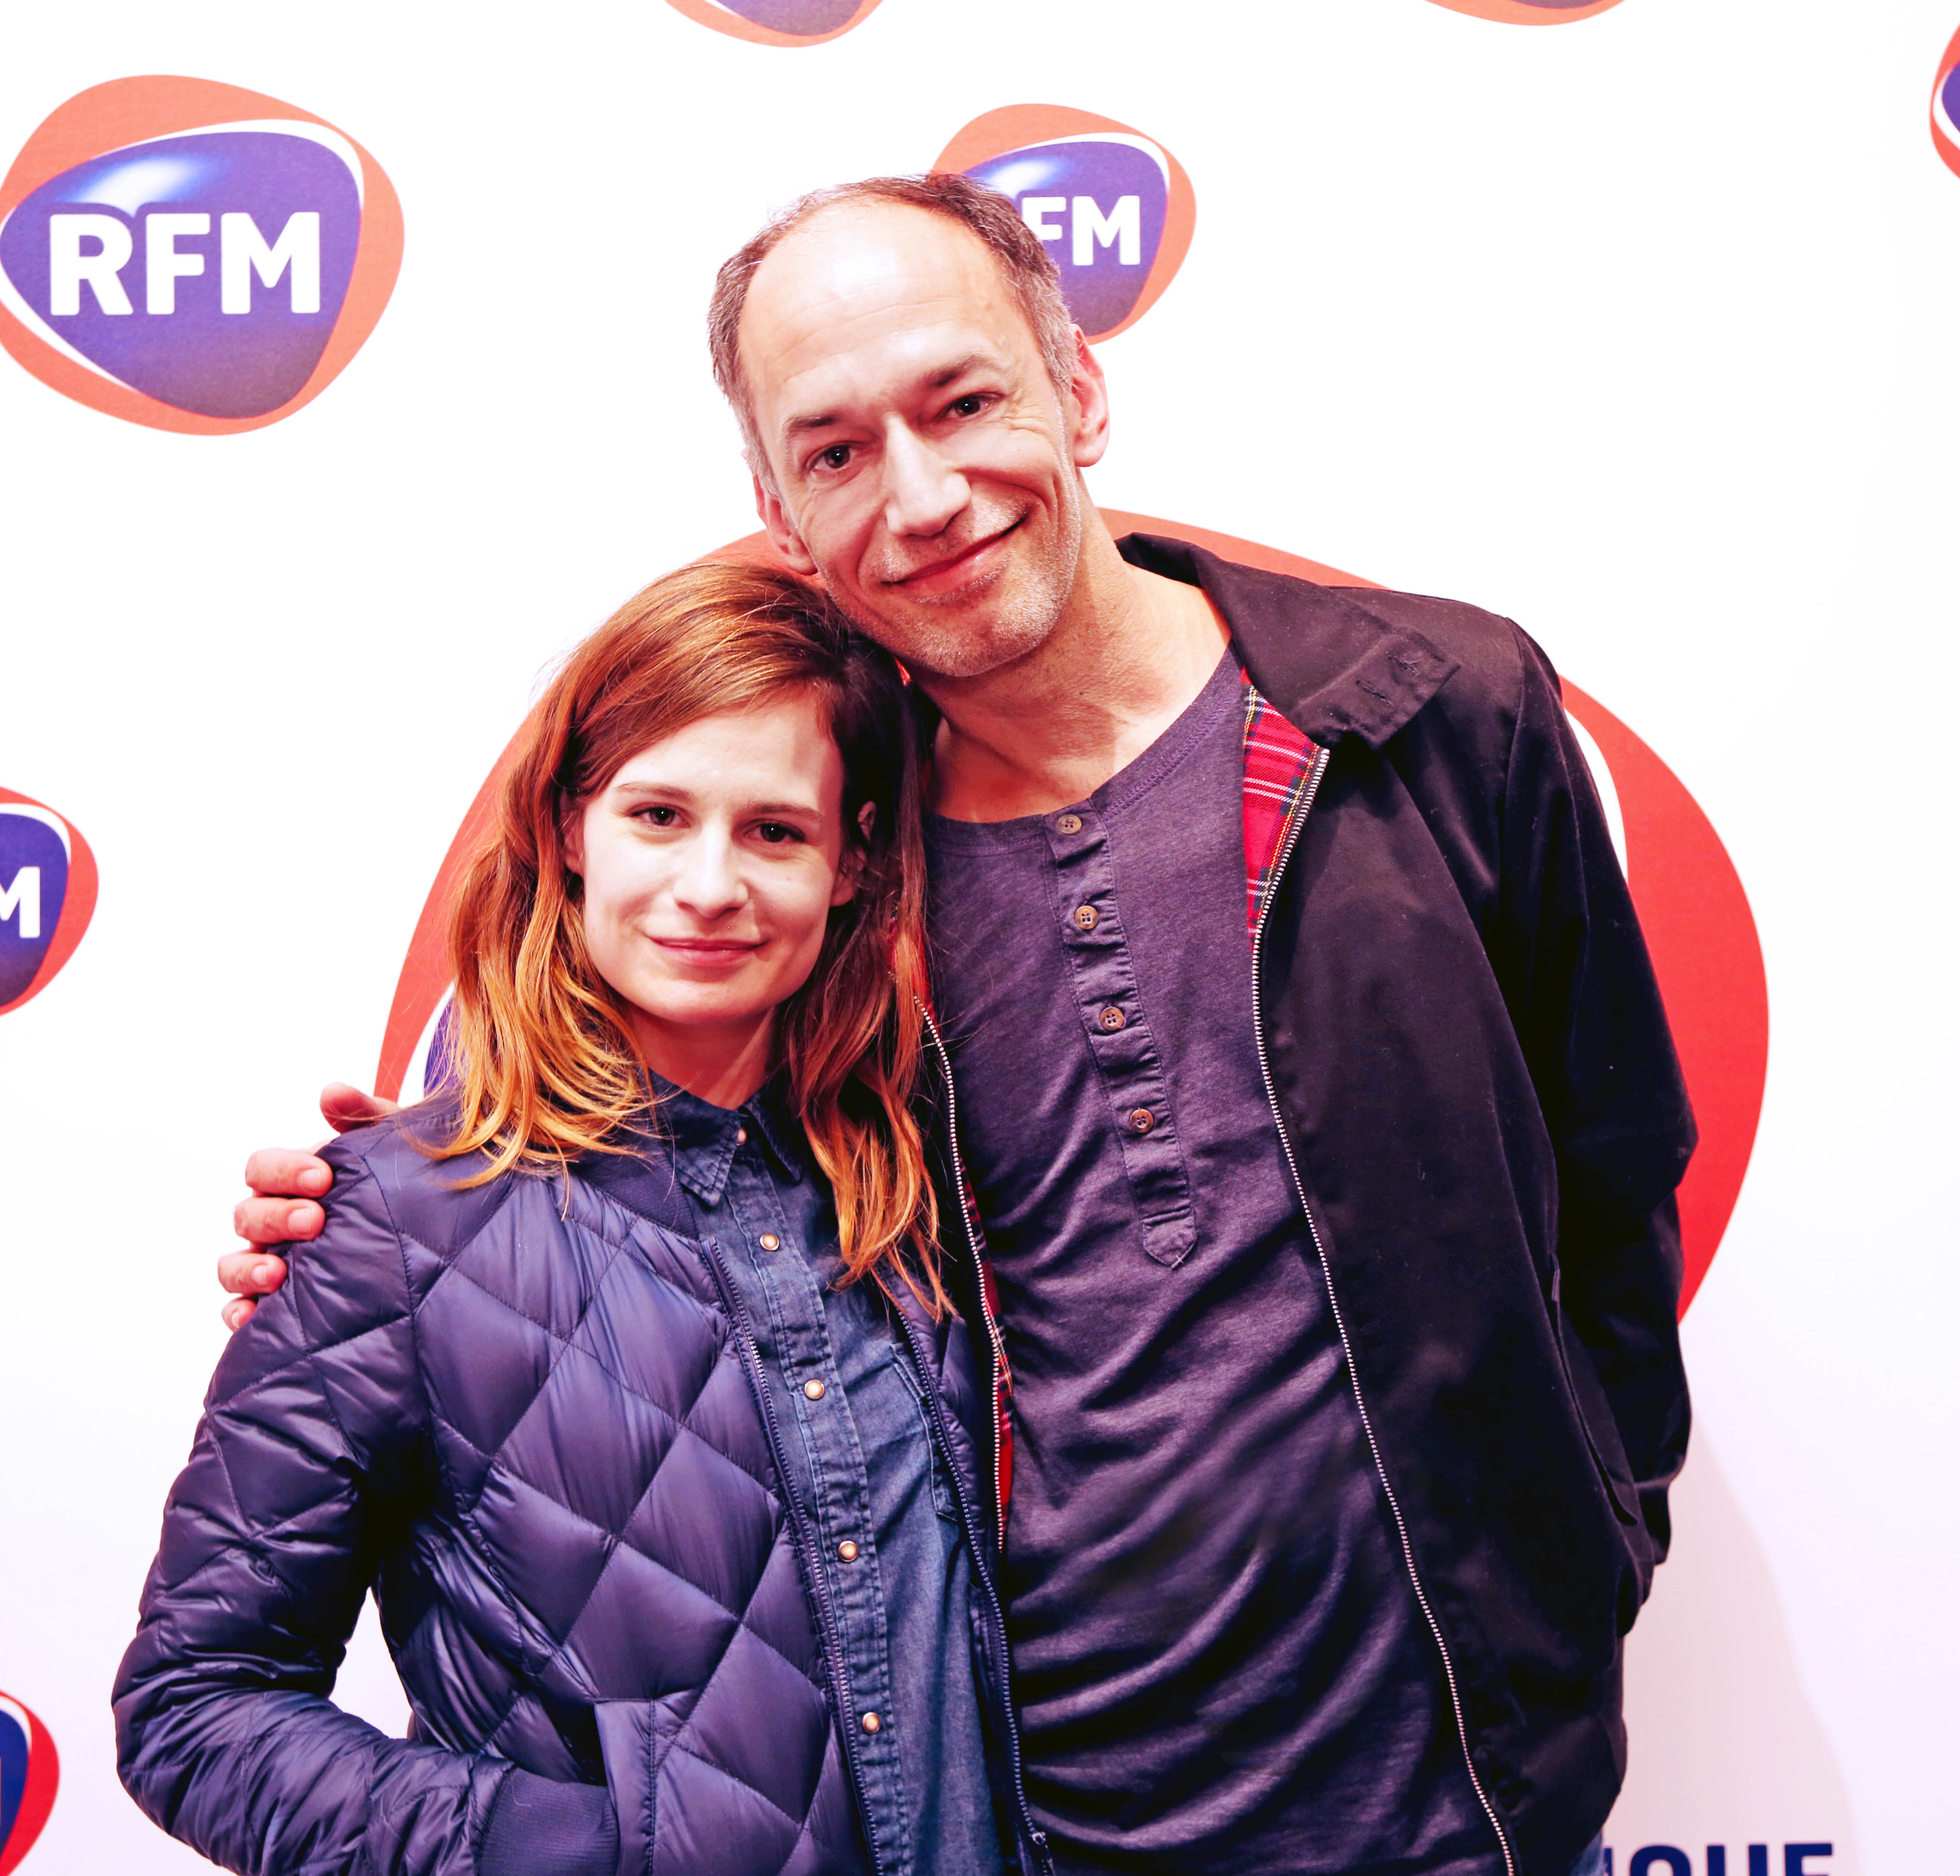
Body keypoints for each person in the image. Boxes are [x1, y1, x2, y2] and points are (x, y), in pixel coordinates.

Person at [226, 175, 1694, 1876]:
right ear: (781, 511)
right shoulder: (813, 872)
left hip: (1484, 1807)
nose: (922, 497)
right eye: (837, 451)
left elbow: (1614, 1183)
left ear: (1077, 391)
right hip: (1034, 1829)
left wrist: (1594, 1550)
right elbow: (583, 1202)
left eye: (964, 402)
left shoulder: (1431, 717)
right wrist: (359, 1224)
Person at [120, 562, 1037, 1876]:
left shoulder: (923, 1171)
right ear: (567, 831)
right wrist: (586, 1851)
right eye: (659, 815)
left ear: (851, 863)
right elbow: (194, 1711)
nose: (711, 884)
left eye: (775, 832)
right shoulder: (391, 1222)